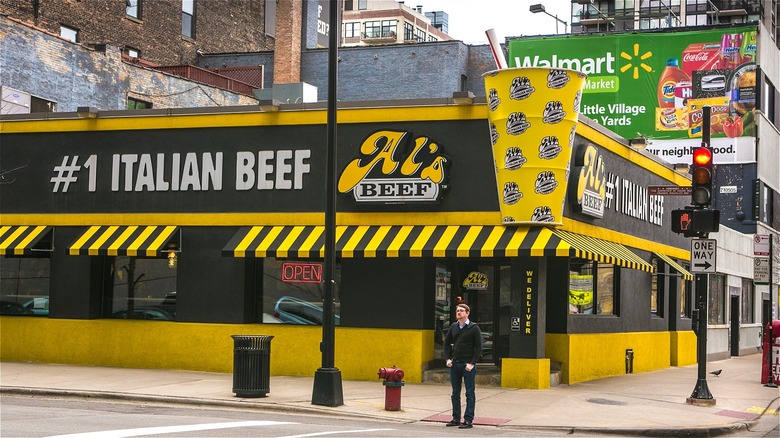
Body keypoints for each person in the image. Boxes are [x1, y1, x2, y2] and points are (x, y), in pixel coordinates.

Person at [443, 303, 482, 429]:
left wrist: (472, 363)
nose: (458, 312)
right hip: (455, 364)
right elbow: (447, 343)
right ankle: (456, 418)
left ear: (467, 313)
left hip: (467, 365)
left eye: (461, 311)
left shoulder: (474, 328)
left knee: (469, 393)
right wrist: (448, 358)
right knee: (455, 393)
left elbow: (478, 347)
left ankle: (468, 420)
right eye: (457, 310)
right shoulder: (454, 326)